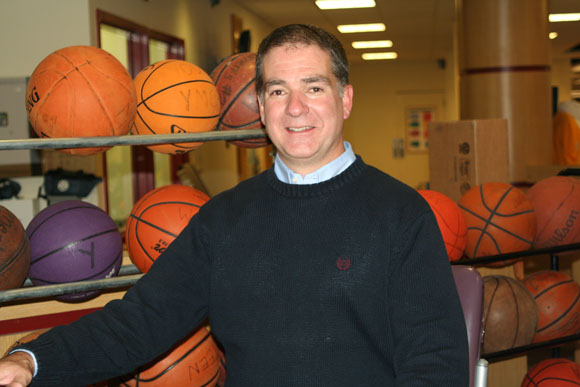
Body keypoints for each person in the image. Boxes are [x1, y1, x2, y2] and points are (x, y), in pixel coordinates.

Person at [0, 24, 468, 386]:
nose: (296, 107)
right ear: (261, 109)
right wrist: (33, 360)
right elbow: (139, 322)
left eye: (314, 87)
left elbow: (434, 365)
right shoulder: (223, 220)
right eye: (278, 91)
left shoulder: (401, 214)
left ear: (345, 100)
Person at [553, 100, 580, 165]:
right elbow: (569, 153)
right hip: (566, 169)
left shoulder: (561, 117)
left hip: (557, 166)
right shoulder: (570, 123)